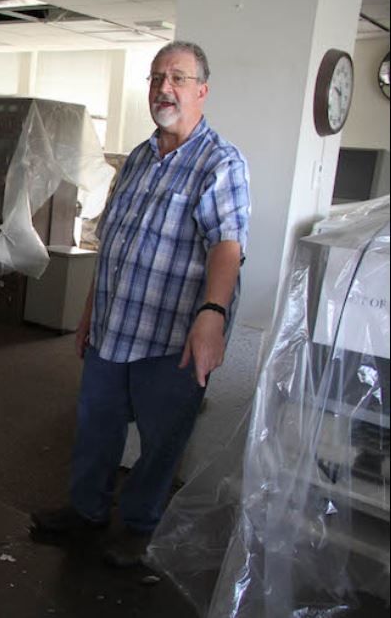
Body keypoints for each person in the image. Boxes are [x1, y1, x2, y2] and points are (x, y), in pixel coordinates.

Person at [31, 40, 251, 567]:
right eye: (156, 78)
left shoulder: (220, 163)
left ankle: (136, 531)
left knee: (160, 444)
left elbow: (228, 246)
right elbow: (111, 245)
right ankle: (86, 512)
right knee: (96, 430)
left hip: (171, 339)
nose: (164, 89)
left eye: (177, 78)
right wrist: (87, 316)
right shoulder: (135, 159)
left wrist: (213, 316)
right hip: (113, 328)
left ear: (202, 90)